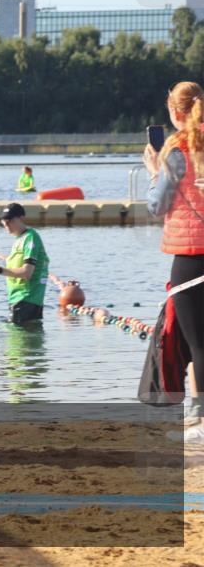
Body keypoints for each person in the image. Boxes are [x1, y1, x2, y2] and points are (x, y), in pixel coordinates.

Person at [144, 80, 204, 446]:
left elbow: (157, 205)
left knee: (197, 344)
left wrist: (154, 171)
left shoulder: (177, 149)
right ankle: (196, 413)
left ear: (174, 112)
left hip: (191, 258)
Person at [0, 203, 50, 325]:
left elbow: (26, 273)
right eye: (3, 221)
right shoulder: (19, 240)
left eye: (9, 220)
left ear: (21, 218)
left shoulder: (30, 238)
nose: (6, 224)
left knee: (17, 337)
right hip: (18, 300)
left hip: (27, 300)